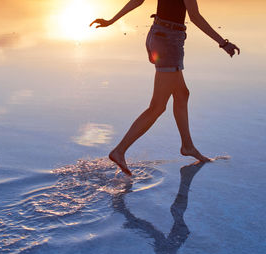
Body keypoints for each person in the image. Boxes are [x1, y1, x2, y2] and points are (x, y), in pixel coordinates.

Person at [90, 0, 240, 176]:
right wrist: (223, 43)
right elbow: (195, 17)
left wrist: (111, 20)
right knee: (157, 106)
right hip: (169, 42)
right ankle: (119, 151)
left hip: (159, 35)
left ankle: (187, 145)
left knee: (182, 94)